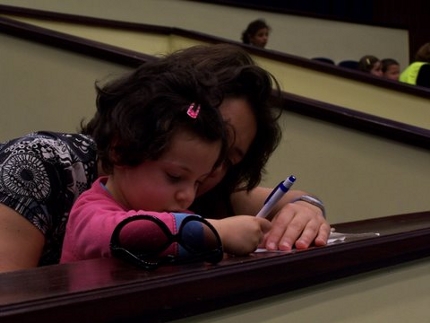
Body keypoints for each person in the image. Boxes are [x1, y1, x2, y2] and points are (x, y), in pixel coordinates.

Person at [0, 44, 330, 273]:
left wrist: (307, 208)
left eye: (228, 159)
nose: (211, 170)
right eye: (201, 133)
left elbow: (283, 199)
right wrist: (212, 231)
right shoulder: (39, 163)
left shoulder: (192, 186)